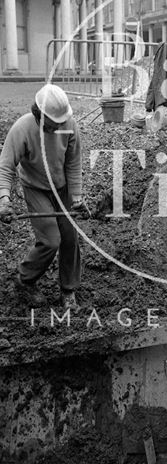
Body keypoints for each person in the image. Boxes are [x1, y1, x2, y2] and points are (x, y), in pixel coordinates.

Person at [0, 84, 87, 310]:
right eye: (53, 123)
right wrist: (4, 199)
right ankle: (25, 280)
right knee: (51, 240)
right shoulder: (23, 128)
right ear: (39, 115)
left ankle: (68, 290)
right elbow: (6, 166)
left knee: (69, 237)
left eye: (61, 121)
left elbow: (73, 163)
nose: (59, 125)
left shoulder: (70, 126)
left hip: (62, 188)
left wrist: (76, 197)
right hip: (35, 187)